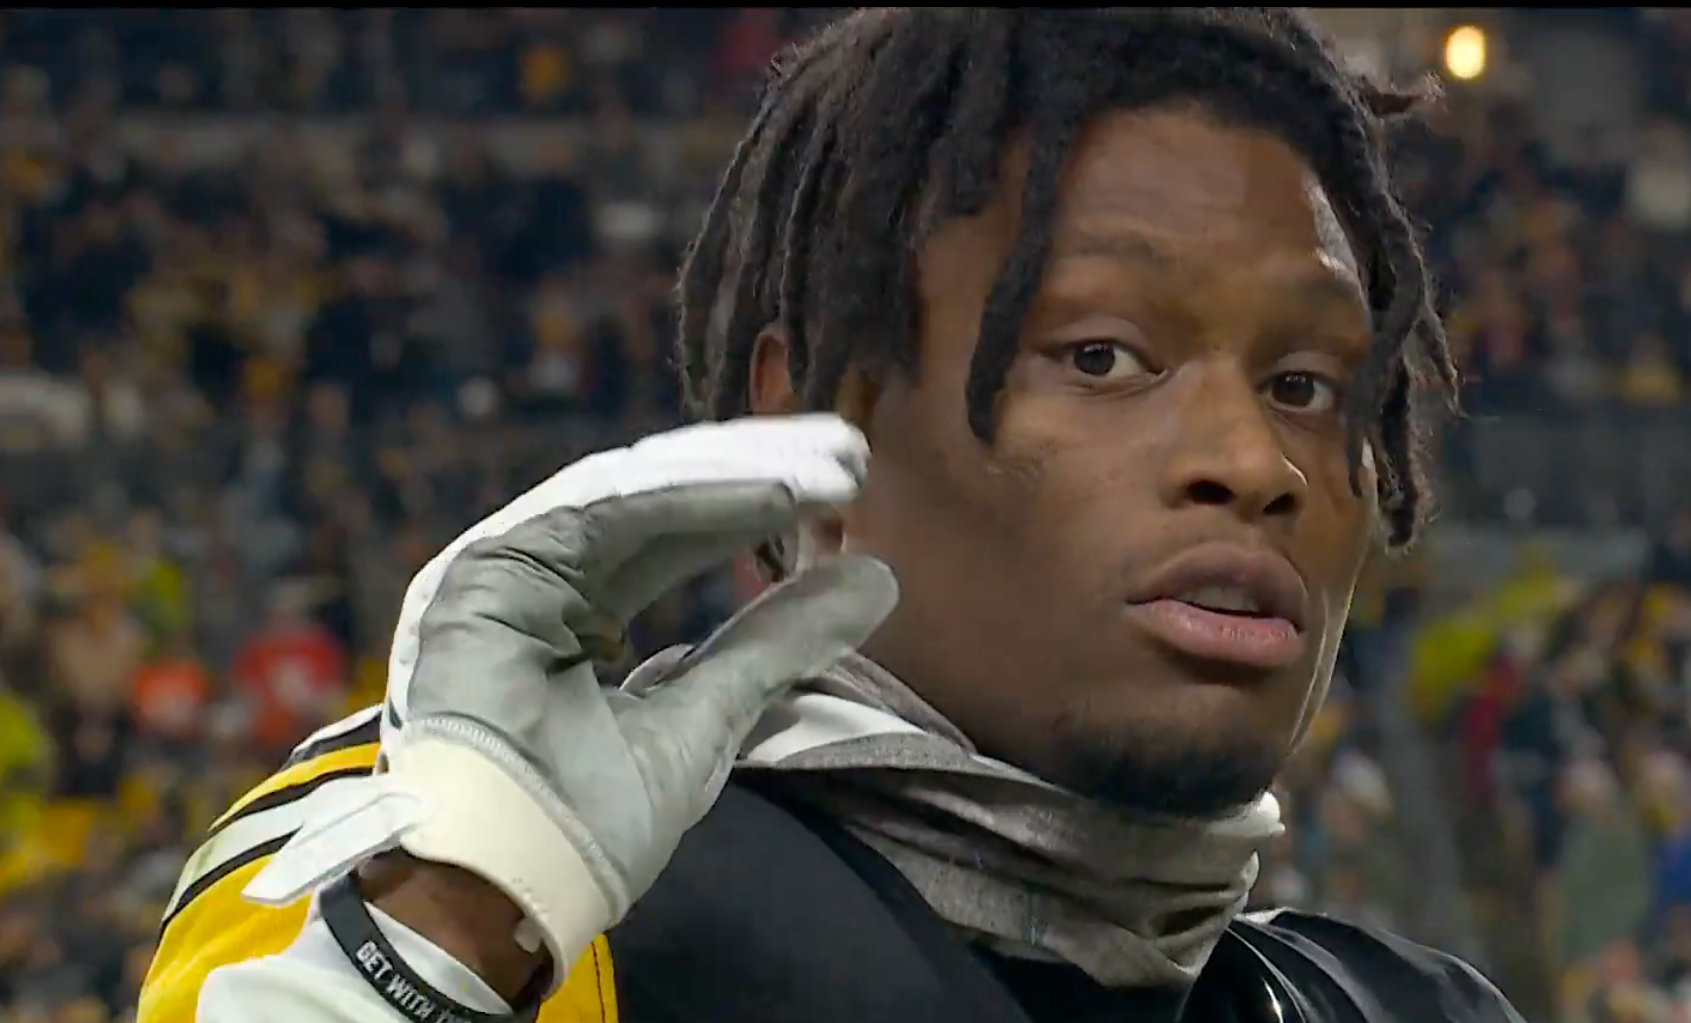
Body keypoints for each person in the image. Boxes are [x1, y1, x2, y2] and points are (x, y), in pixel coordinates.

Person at [142, 9, 1518, 1023]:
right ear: (813, 425)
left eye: (1305, 382)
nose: (1252, 458)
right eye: (1101, 355)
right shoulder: (500, 883)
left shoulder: (1403, 1005)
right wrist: (446, 938)